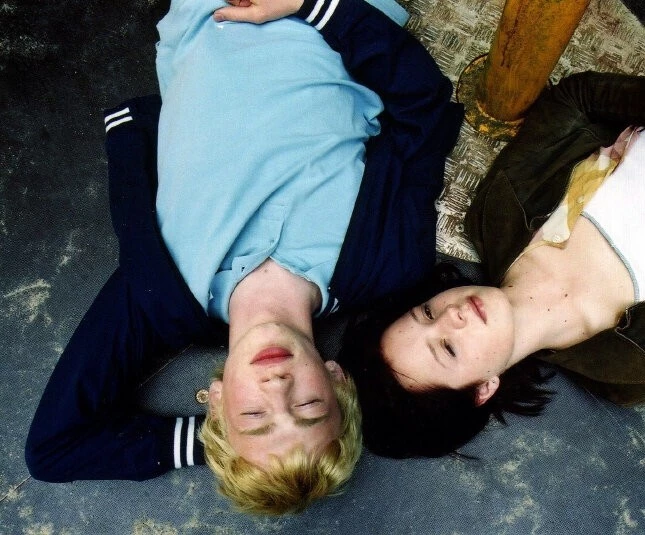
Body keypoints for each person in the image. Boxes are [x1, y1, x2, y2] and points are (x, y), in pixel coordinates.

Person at [25, 0, 463, 514]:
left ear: (215, 403)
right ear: (337, 379)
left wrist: (221, 446)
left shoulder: (161, 297)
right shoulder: (388, 266)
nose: (277, 388)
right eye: (308, 405)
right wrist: (312, 7)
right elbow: (425, 113)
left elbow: (53, 451)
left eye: (254, 416)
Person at [340, 71, 645, 459]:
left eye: (427, 312)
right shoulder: (627, 368)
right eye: (448, 348)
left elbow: (575, 98)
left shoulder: (496, 214)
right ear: (483, 389)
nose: (451, 315)